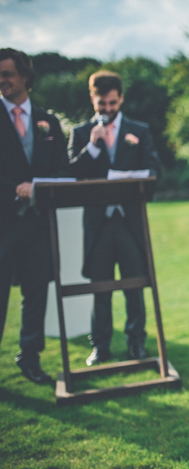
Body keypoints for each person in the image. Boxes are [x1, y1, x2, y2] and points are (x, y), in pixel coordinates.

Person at [68, 70, 161, 366]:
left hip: (130, 222)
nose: (106, 109)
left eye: (111, 103)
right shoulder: (82, 133)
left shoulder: (139, 130)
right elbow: (70, 174)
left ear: (120, 98)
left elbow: (154, 169)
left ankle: (136, 343)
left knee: (134, 286)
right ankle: (100, 346)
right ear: (92, 100)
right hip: (98, 225)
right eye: (101, 104)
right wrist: (93, 146)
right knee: (100, 288)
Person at [0, 48, 68, 384]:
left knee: (36, 292)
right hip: (3, 223)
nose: (1, 81)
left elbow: (61, 169)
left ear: (25, 77)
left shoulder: (48, 121)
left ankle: (29, 358)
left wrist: (39, 186)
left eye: (7, 74)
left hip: (39, 223)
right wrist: (16, 188)